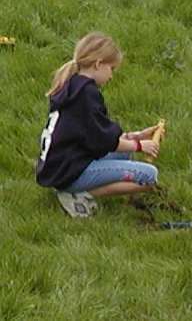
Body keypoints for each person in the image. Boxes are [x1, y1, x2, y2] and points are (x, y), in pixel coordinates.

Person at [36, 32, 160, 218]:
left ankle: (75, 189)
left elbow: (95, 134)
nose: (111, 76)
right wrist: (141, 146)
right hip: (69, 172)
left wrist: (136, 136)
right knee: (149, 176)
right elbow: (103, 141)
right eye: (111, 69)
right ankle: (78, 195)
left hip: (62, 165)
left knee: (124, 152)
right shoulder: (86, 94)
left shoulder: (73, 86)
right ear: (98, 64)